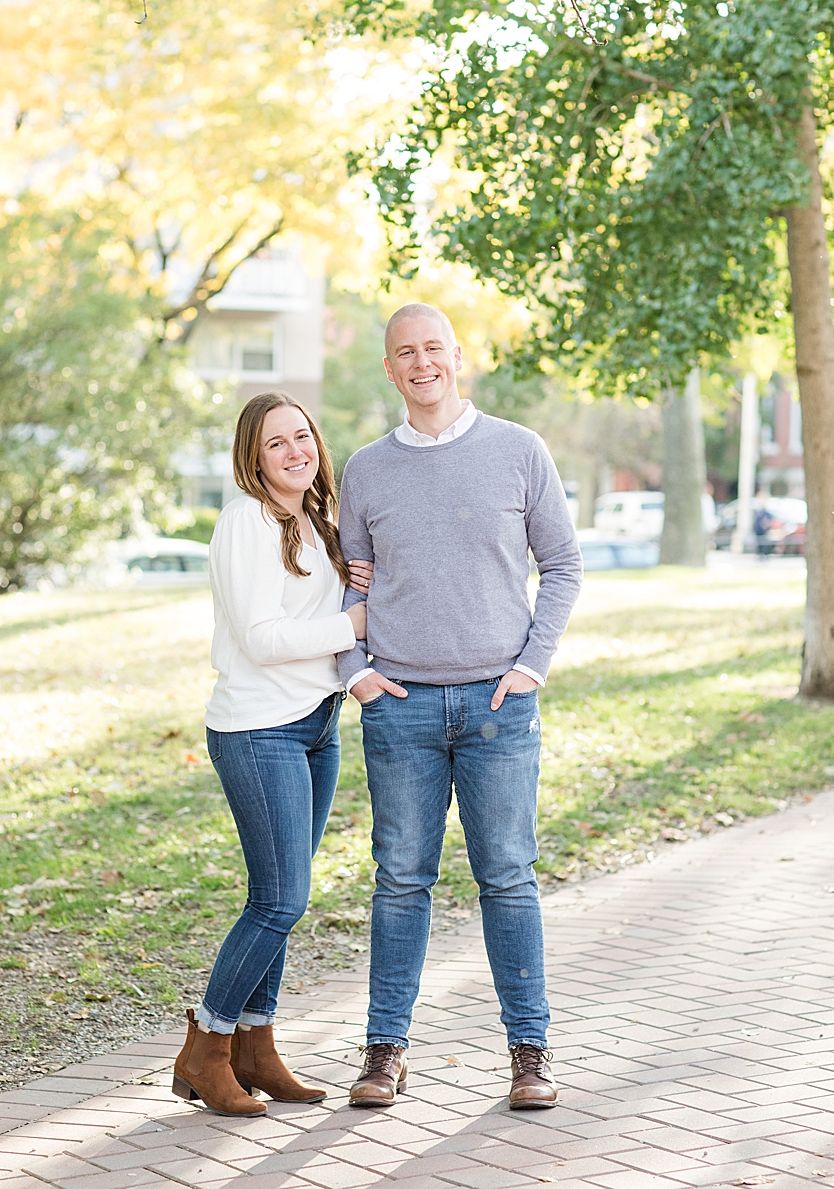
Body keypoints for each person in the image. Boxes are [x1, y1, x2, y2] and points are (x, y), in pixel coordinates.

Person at [337, 303, 581, 1112]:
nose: (421, 363)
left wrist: (532, 666)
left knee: (507, 877)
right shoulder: (366, 467)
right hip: (399, 706)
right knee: (399, 880)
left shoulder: (518, 450)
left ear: (457, 357)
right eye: (405, 352)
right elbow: (347, 583)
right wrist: (355, 672)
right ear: (390, 368)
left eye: (433, 348)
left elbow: (564, 565)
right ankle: (384, 1054)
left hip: (498, 706)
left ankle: (530, 1053)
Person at [171, 392, 371, 1117]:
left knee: (281, 902)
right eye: (275, 444)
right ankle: (208, 1046)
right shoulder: (245, 521)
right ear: (253, 458)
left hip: (316, 726)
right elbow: (259, 637)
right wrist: (350, 622)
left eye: (303, 437)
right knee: (279, 898)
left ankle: (257, 1047)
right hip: (258, 730)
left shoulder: (316, 523)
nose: (295, 452)